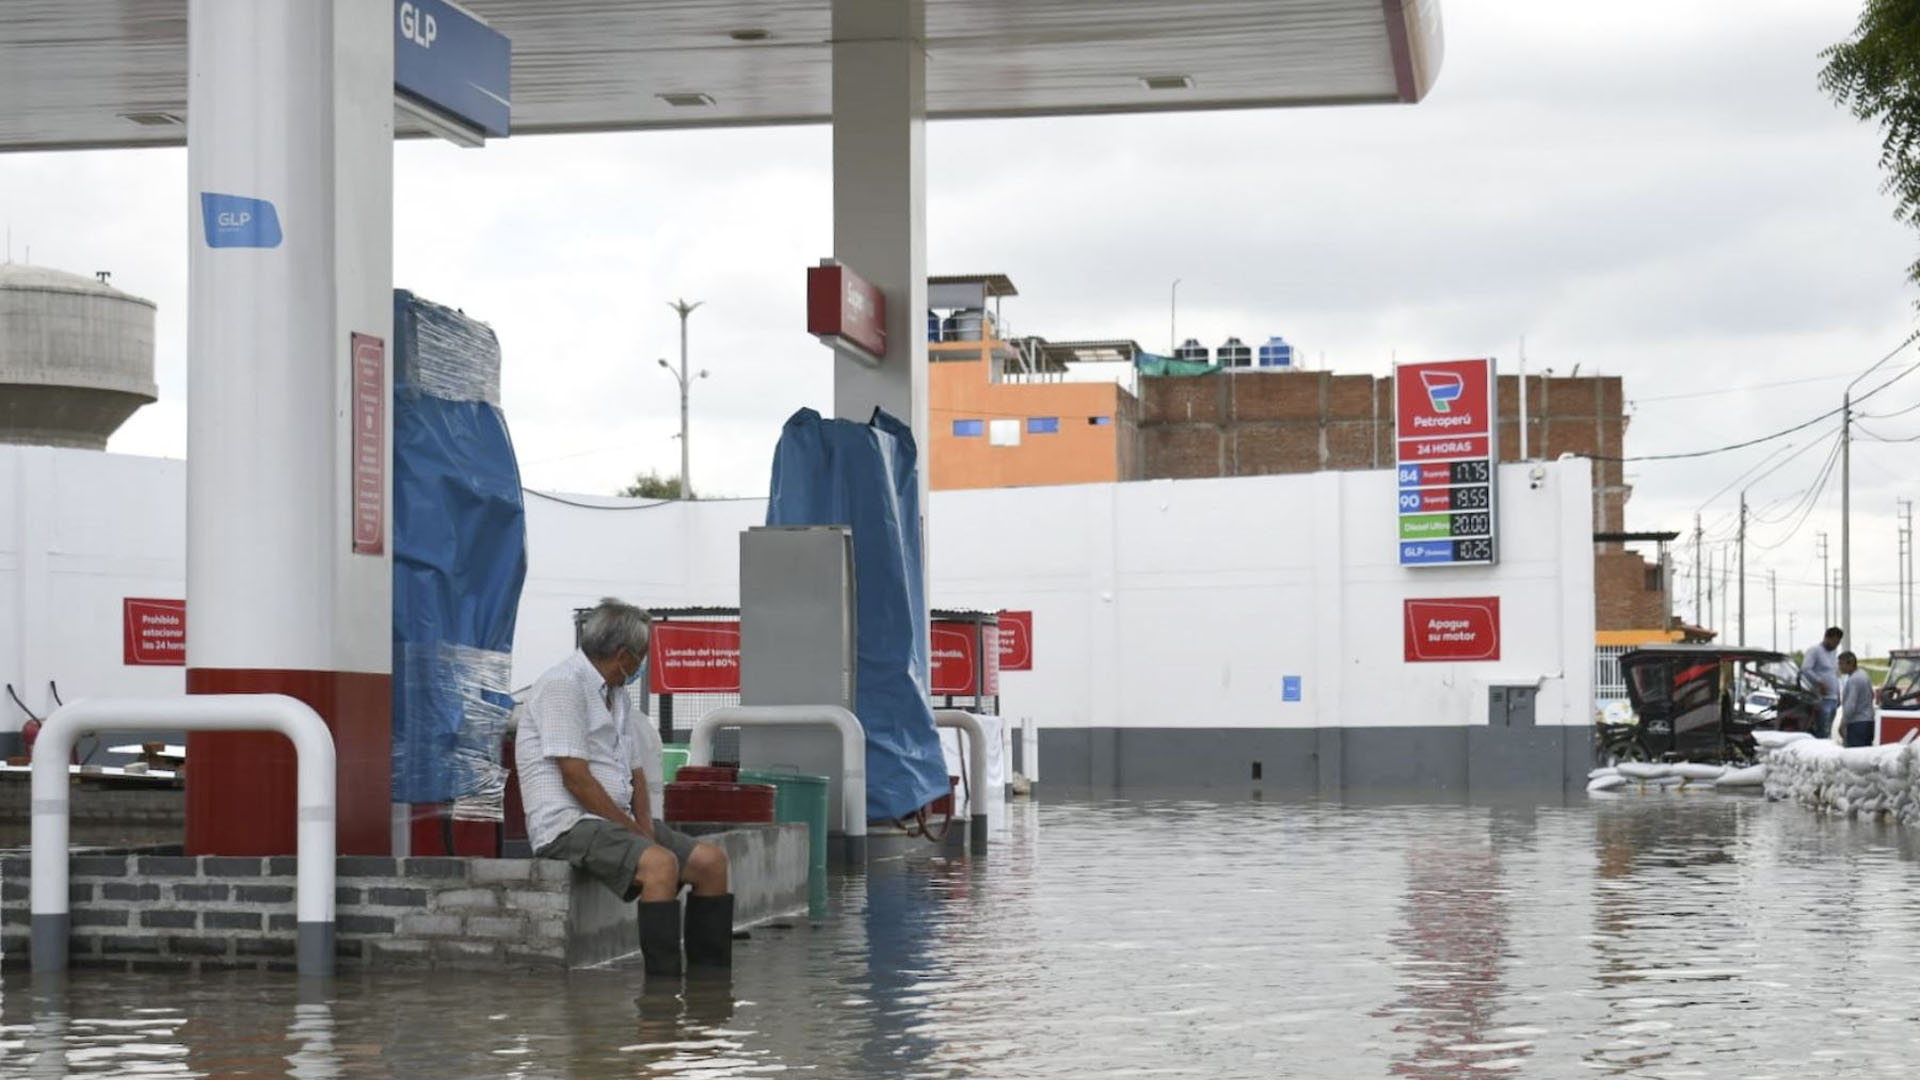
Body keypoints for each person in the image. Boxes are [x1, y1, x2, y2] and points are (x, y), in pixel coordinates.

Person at [516, 598, 731, 977]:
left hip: (615, 821)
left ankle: (709, 985)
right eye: (642, 656)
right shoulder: (562, 686)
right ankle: (662, 995)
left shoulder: (617, 695)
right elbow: (576, 778)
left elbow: (636, 774)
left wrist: (644, 827)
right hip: (567, 824)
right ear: (624, 655)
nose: (641, 666)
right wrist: (637, 836)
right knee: (660, 864)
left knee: (711, 863)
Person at [1803, 627, 1844, 739]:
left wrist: (1838, 696)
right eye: (1834, 642)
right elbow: (1806, 669)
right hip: (1821, 699)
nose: (1836, 645)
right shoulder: (1815, 651)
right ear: (1827, 638)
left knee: (1829, 730)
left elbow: (1834, 674)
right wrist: (1819, 682)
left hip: (1833, 699)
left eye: (1838, 643)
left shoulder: (1833, 653)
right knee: (1822, 731)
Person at [1839, 651, 1877, 748]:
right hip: (1868, 721)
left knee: (1855, 756)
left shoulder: (1854, 680)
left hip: (1857, 724)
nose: (1839, 667)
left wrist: (1842, 724)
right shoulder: (1864, 675)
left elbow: (1850, 706)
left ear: (1850, 663)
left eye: (1841, 664)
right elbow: (1872, 695)